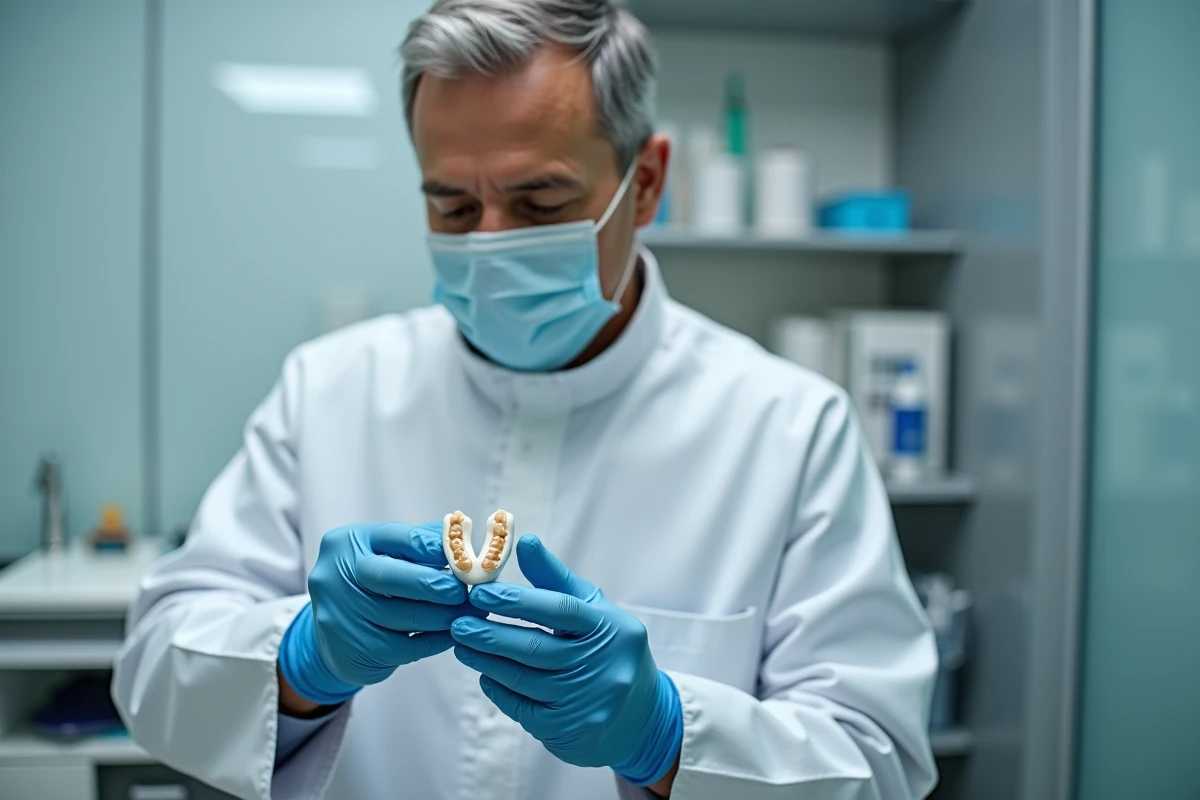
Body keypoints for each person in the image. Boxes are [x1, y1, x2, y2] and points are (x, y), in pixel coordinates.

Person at [112, 1, 938, 798]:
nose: (491, 245)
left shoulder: (790, 431)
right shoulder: (327, 392)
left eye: (541, 203)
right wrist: (298, 661)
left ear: (645, 183)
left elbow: (878, 763)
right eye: (453, 206)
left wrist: (668, 735)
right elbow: (153, 669)